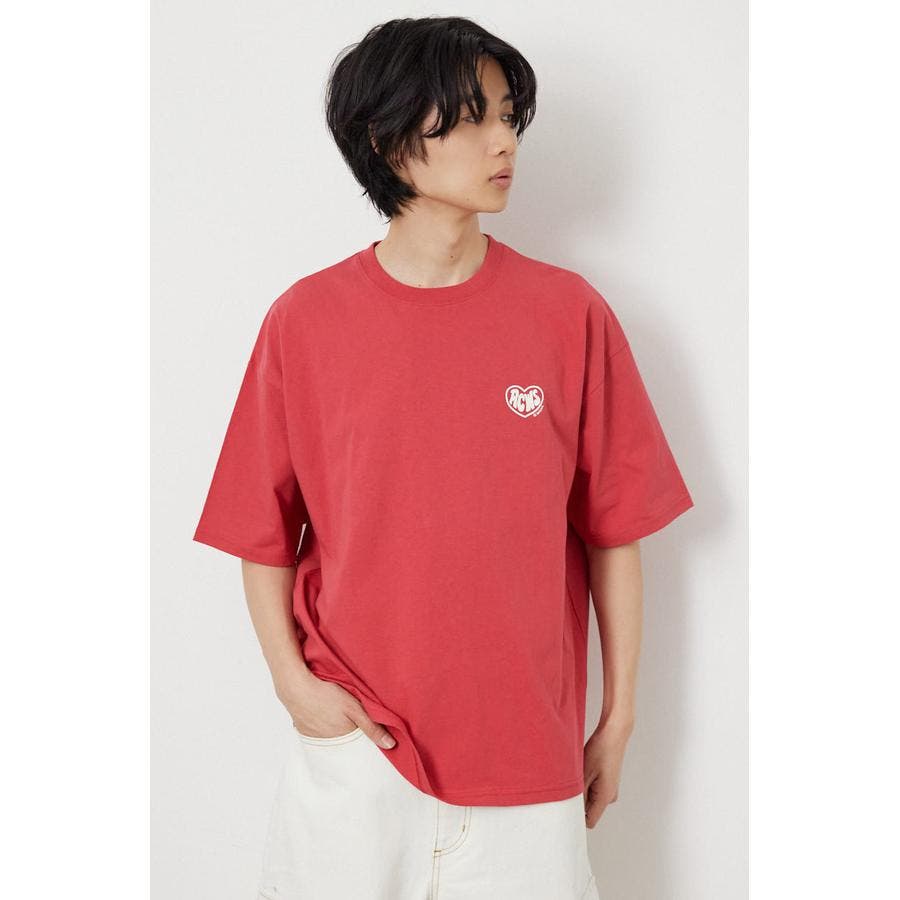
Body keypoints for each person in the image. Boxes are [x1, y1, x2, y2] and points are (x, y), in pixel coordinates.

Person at [192, 15, 694, 900]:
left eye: (508, 116)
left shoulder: (568, 315)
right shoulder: (304, 322)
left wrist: (617, 720)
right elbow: (260, 532)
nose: (504, 142)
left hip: (527, 762)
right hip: (357, 756)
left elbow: (616, 531)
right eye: (470, 119)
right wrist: (292, 686)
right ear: (386, 140)